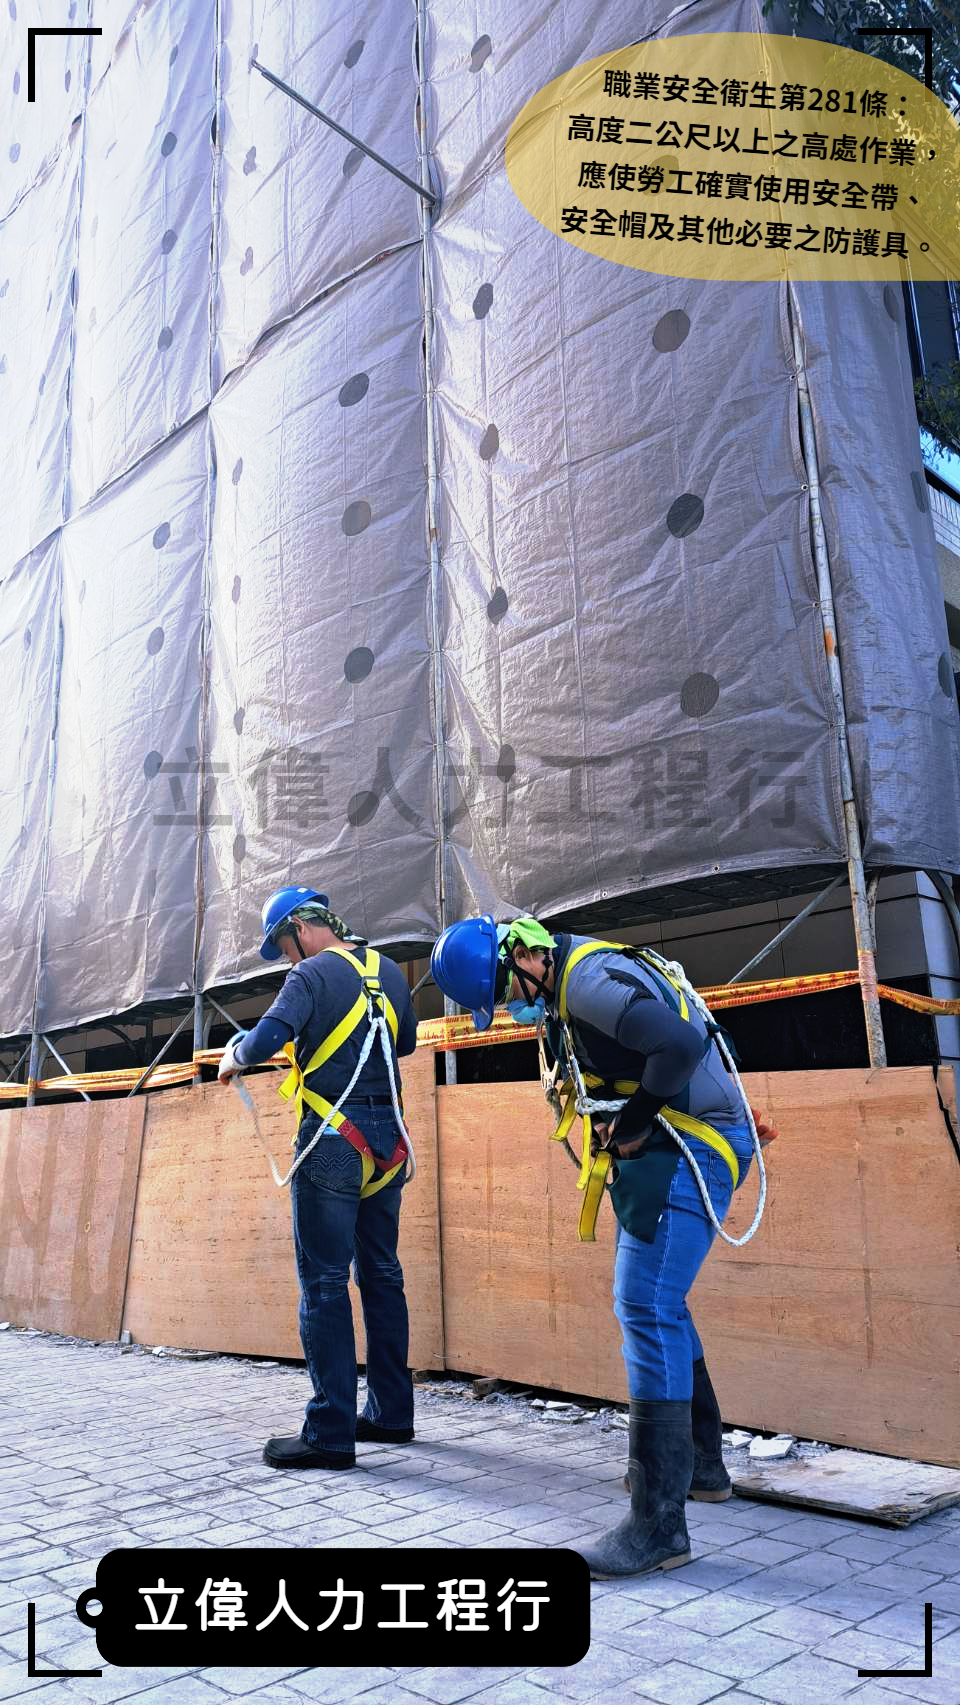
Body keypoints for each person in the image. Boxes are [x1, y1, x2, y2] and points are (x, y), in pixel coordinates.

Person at [430, 913, 771, 1579]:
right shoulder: (566, 983)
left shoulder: (584, 983)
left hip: (692, 1141)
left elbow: (676, 1045)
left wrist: (637, 1122)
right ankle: (701, 1464)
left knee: (645, 1304)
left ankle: (657, 1524)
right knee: (661, 1301)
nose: (509, 1005)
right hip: (687, 1136)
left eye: (504, 990)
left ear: (522, 957)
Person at [218, 885, 418, 1471]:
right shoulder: (391, 973)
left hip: (333, 1141)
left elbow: (266, 1040)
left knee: (326, 1284)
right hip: (389, 1145)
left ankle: (330, 1433)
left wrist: (236, 1056)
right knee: (382, 1275)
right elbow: (402, 1043)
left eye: (283, 946)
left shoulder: (308, 977)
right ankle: (391, 1414)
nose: (285, 959)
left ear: (303, 929)